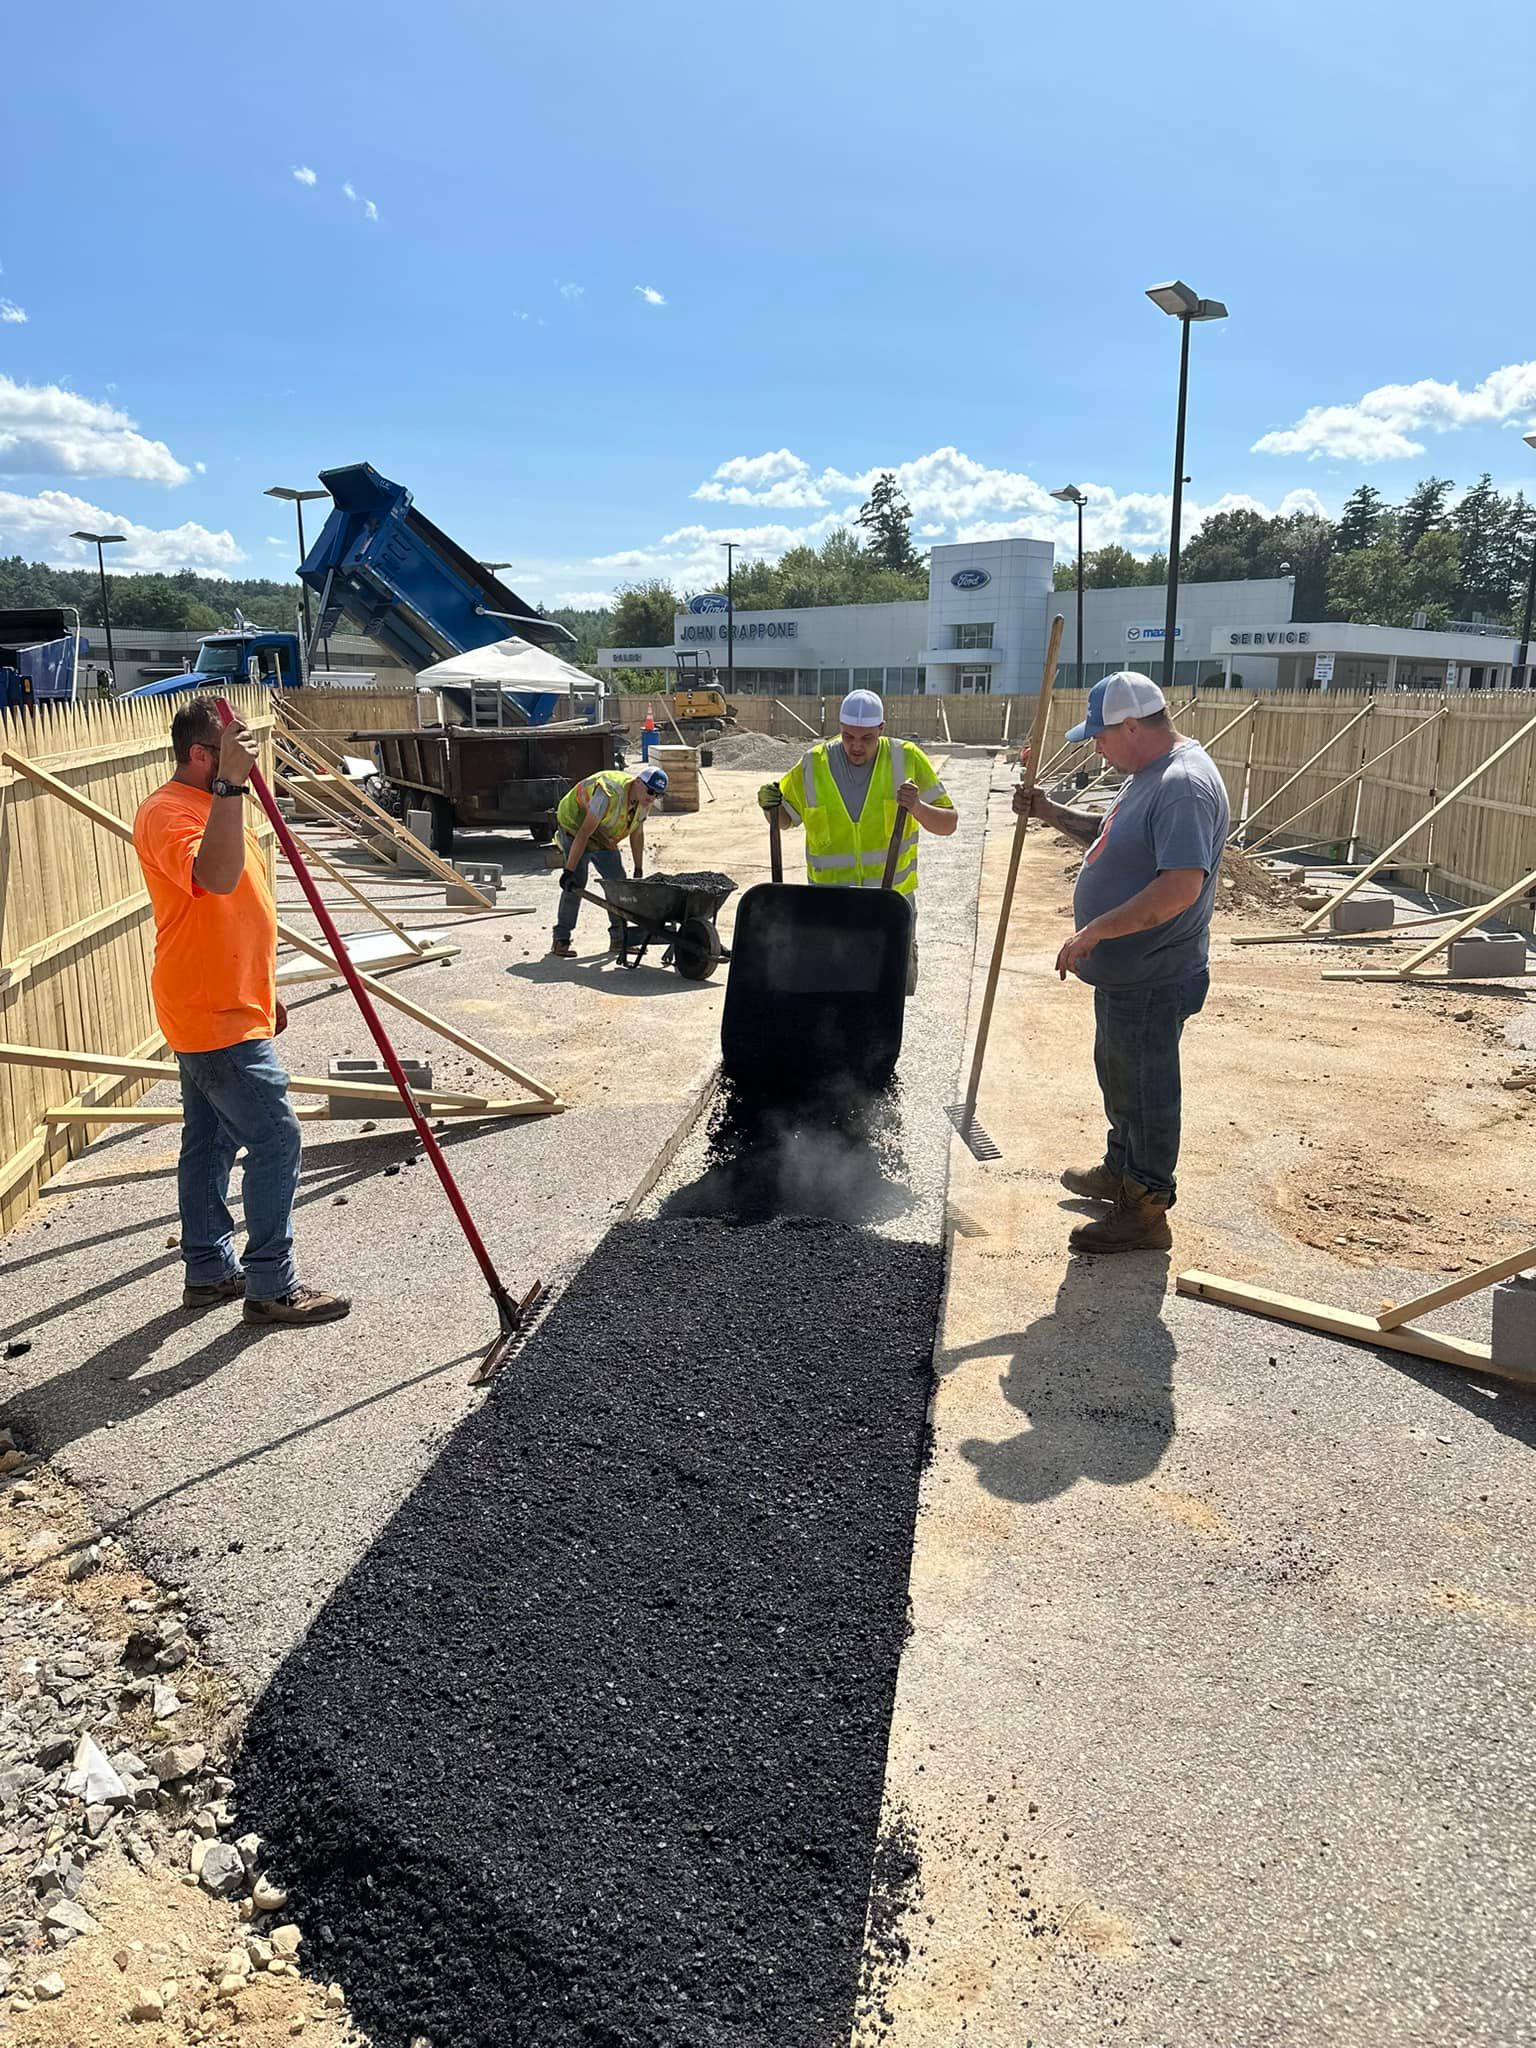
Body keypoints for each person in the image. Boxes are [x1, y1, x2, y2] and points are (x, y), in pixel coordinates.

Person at [132, 696, 350, 1325]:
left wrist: (263, 987)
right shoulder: (169, 812)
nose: (248, 757)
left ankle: (207, 1271)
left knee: (210, 1139)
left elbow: (234, 915)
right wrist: (229, 784)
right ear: (201, 755)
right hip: (210, 1011)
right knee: (277, 1138)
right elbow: (218, 880)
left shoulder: (219, 803)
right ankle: (271, 1285)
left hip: (229, 1000)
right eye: (233, 746)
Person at [1016, 672, 1229, 1254]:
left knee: (1147, 1089)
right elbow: (1113, 842)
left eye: (1100, 737)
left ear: (1132, 726)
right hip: (1127, 972)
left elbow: (1179, 886)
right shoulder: (1147, 776)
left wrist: (1094, 932)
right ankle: (1122, 1170)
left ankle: (1146, 1208)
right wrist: (1050, 812)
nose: (1096, 747)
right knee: (1120, 1076)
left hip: (1155, 972)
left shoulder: (1182, 785)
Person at [757, 689, 957, 987]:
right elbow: (785, 819)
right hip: (831, 908)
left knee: (888, 996)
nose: (856, 747)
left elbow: (948, 823)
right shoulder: (814, 763)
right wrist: (769, 807)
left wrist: (916, 806)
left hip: (890, 903)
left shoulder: (907, 758)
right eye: (848, 737)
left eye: (866, 738)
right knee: (834, 991)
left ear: (881, 730)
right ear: (839, 729)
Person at [549, 763, 669, 959]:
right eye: (650, 791)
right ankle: (561, 938)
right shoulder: (608, 793)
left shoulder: (644, 802)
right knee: (576, 883)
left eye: (658, 795)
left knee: (618, 884)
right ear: (638, 782)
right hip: (575, 825)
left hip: (603, 834)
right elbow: (584, 833)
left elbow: (637, 834)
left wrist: (638, 869)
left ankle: (620, 939)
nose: (653, 797)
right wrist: (568, 871)